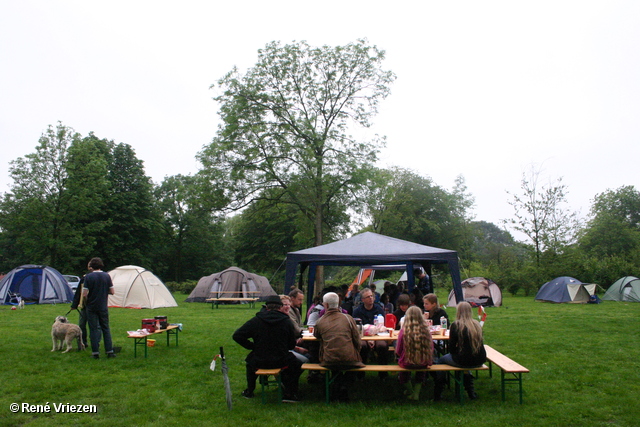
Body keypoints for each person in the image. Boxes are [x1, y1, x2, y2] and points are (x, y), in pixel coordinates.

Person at [233, 295, 303, 402]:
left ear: (266, 307)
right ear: (280, 307)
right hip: (281, 360)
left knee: (250, 362)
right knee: (297, 364)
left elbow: (237, 335)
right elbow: (291, 345)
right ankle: (290, 393)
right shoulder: (286, 322)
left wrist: (252, 346)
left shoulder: (256, 321)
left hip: (260, 360)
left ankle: (249, 390)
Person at [314, 292, 364, 402]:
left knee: (335, 362)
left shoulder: (320, 321)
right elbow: (357, 340)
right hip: (350, 359)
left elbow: (316, 336)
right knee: (355, 363)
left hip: (328, 359)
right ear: (338, 304)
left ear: (325, 305)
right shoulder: (348, 319)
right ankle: (343, 386)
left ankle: (337, 385)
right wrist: (357, 351)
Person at [434, 301, 487, 401]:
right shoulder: (476, 324)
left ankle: (438, 391)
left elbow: (452, 349)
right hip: (480, 359)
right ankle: (470, 391)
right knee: (466, 359)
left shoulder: (456, 325)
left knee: (440, 361)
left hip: (463, 360)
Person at [395, 306, 434, 400]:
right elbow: (431, 348)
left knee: (403, 373)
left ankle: (410, 391)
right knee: (421, 372)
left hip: (407, 362)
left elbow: (398, 350)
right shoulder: (426, 331)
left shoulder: (403, 331)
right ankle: (416, 393)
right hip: (423, 363)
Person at [82, 257, 115, 359]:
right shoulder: (107, 276)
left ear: (92, 266)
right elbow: (112, 291)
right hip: (103, 306)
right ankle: (110, 351)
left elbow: (84, 294)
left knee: (93, 329)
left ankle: (95, 353)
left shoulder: (88, 277)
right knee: (105, 328)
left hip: (91, 306)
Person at [352, 288, 389, 378]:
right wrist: (368, 339)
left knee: (382, 346)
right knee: (362, 346)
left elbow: (382, 326)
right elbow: (356, 329)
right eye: (368, 297)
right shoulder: (357, 311)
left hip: (378, 335)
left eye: (371, 296)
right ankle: (361, 374)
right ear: (363, 300)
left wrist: (373, 338)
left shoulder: (379, 309)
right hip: (363, 337)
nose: (371, 298)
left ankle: (383, 374)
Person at [70, 272, 89, 349]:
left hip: (93, 307)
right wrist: (74, 305)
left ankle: (95, 343)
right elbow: (78, 292)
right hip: (84, 306)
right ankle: (83, 342)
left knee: (94, 326)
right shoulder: (84, 279)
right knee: (81, 325)